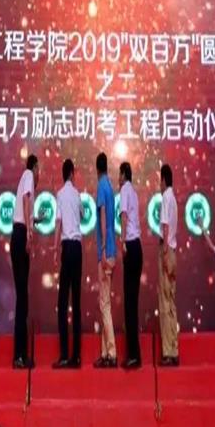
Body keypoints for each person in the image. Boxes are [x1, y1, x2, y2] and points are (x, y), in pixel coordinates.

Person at [52, 158, 82, 369]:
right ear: (71, 173)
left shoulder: (60, 194)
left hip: (66, 247)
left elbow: (58, 222)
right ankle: (76, 356)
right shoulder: (77, 194)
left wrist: (55, 249)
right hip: (77, 248)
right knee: (76, 302)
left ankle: (64, 355)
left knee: (63, 303)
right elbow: (82, 214)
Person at [11, 154, 39, 369]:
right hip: (21, 236)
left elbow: (25, 207)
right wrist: (30, 232)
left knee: (23, 297)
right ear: (35, 167)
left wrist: (33, 220)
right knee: (22, 298)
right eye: (39, 169)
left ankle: (20, 354)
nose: (39, 174)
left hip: (18, 234)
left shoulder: (23, 177)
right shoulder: (28, 174)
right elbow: (26, 200)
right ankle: (19, 356)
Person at [94, 152, 117, 368]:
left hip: (105, 251)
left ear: (96, 168)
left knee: (104, 304)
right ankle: (105, 352)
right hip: (112, 249)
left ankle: (111, 352)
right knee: (104, 303)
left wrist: (101, 248)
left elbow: (102, 217)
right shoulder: (110, 186)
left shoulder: (101, 186)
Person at [118, 161, 142, 369]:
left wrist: (123, 241)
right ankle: (135, 353)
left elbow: (124, 216)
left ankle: (133, 355)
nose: (118, 178)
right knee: (132, 302)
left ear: (124, 174)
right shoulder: (133, 191)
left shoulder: (125, 190)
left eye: (119, 174)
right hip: (138, 247)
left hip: (131, 246)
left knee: (129, 303)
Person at [158, 164, 179, 367]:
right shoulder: (174, 198)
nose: (159, 184)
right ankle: (174, 348)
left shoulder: (165, 197)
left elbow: (165, 226)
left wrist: (164, 251)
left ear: (164, 179)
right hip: (173, 250)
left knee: (164, 303)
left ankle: (168, 352)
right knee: (171, 302)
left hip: (166, 250)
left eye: (160, 180)